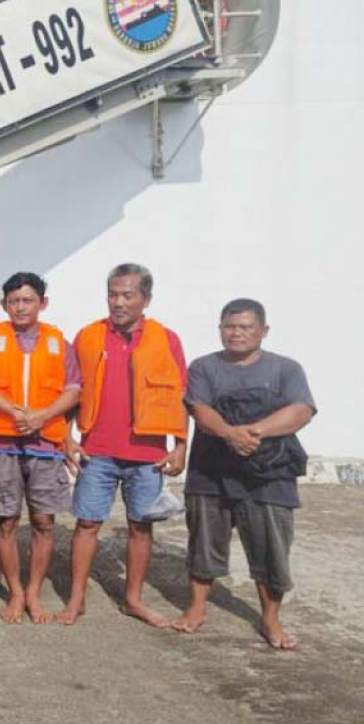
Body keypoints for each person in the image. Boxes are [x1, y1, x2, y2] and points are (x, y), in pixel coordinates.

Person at [171, 299, 315, 650]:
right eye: (229, 326)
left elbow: (301, 410)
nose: (235, 333)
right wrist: (229, 434)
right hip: (211, 470)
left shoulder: (286, 369)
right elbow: (199, 409)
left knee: (271, 549)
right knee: (204, 542)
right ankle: (197, 608)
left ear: (263, 331)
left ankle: (270, 618)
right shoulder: (204, 367)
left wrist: (254, 432)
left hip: (269, 474)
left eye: (245, 327)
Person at [60, 264, 188, 627]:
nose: (118, 302)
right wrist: (66, 437)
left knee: (140, 527)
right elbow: (71, 390)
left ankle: (132, 600)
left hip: (147, 455)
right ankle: (76, 599)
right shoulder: (87, 336)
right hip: (96, 450)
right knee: (86, 523)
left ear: (145, 298)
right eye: (113, 294)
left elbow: (181, 396)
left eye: (127, 295)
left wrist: (181, 446)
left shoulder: (167, 339)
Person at [0, 272, 80, 625]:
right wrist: (16, 413)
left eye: (28, 300)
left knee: (44, 521)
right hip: (3, 442)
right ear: (4, 305)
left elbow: (73, 390)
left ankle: (34, 592)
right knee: (5, 519)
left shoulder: (60, 344)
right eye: (13, 301)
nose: (20, 307)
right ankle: (15, 591)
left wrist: (42, 416)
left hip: (45, 443)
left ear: (42, 303)